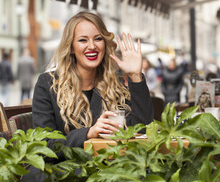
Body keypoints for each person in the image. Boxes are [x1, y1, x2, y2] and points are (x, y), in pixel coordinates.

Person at [23, 12, 154, 181]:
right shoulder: (48, 84)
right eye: (83, 40)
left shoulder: (117, 85)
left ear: (105, 44)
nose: (92, 46)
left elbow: (142, 131)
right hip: (68, 173)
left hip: (113, 170)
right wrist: (88, 133)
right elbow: (45, 146)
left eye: (98, 39)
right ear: (71, 46)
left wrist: (136, 76)